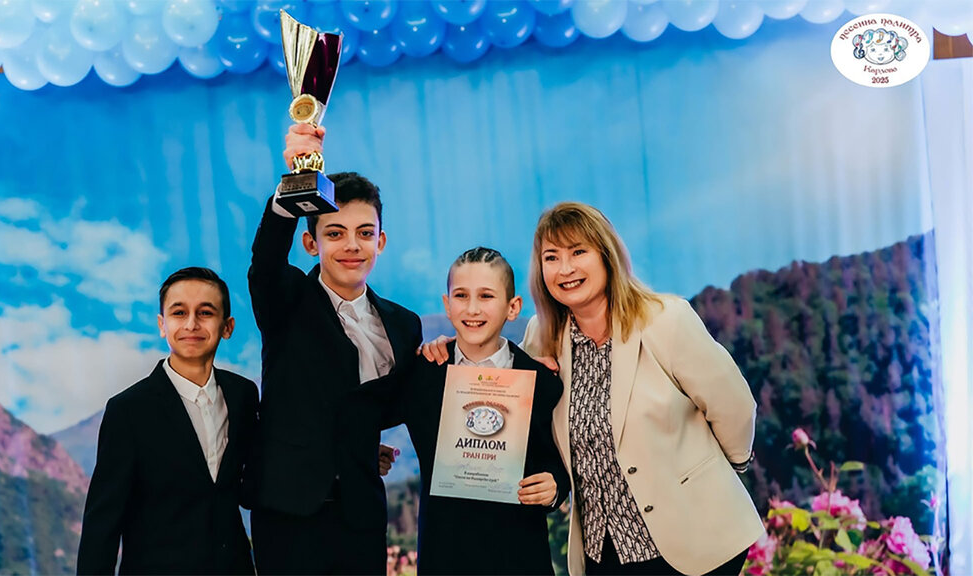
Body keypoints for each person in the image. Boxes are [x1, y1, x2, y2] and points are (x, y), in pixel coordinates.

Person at [522, 202, 763, 576]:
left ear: (606, 255)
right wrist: (443, 350)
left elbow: (734, 406)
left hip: (694, 542)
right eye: (551, 257)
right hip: (603, 552)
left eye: (578, 252)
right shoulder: (541, 336)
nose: (564, 269)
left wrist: (728, 466)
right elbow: (512, 403)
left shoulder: (666, 319)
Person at [246, 123, 422, 575]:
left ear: (381, 241)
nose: (352, 245)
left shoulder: (405, 325)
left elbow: (385, 405)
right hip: (288, 515)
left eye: (365, 233)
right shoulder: (286, 300)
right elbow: (266, 259)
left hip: (361, 516)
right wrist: (295, 183)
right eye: (336, 232)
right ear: (311, 243)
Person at [77, 267, 258, 575]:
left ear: (227, 326)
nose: (191, 324)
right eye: (179, 312)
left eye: (205, 312)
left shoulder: (243, 395)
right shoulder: (128, 410)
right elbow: (102, 523)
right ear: (162, 325)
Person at [400, 247, 568, 575]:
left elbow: (556, 459)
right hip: (445, 558)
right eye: (461, 296)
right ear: (447, 305)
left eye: (486, 296)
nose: (473, 308)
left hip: (520, 559)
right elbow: (363, 413)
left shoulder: (542, 381)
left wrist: (555, 486)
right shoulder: (422, 374)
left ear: (513, 307)